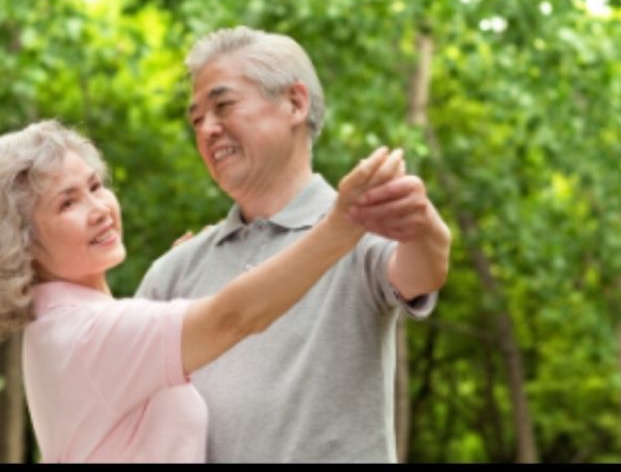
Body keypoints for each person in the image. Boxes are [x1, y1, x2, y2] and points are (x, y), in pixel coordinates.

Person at [0, 120, 405, 463]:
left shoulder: (69, 326)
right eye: (67, 203)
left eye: (95, 186)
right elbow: (232, 317)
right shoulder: (87, 333)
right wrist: (341, 225)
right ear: (23, 245)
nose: (98, 208)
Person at [136, 26, 452, 462]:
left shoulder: (356, 227)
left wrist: (424, 228)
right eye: (196, 119)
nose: (207, 129)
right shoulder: (174, 271)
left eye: (223, 105)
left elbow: (422, 271)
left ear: (295, 103)